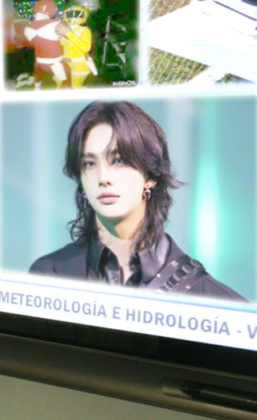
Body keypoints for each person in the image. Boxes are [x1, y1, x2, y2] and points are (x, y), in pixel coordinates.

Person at [30, 101, 247, 302]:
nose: (104, 178)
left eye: (118, 160)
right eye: (89, 163)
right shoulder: (48, 273)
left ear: (150, 176)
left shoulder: (217, 302)